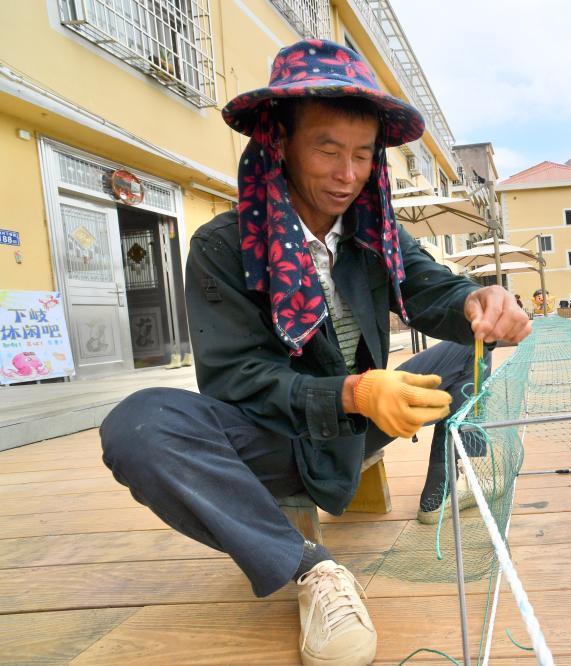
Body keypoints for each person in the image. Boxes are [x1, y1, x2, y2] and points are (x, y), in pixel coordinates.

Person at [99, 40, 530, 666]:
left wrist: (479, 302)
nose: (347, 174)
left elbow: (434, 290)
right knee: (140, 427)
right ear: (281, 144)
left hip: (357, 427)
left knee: (471, 350)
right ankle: (312, 568)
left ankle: (442, 488)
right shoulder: (223, 246)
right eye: (327, 149)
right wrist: (353, 392)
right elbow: (238, 379)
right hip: (276, 439)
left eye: (362, 154)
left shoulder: (375, 232)